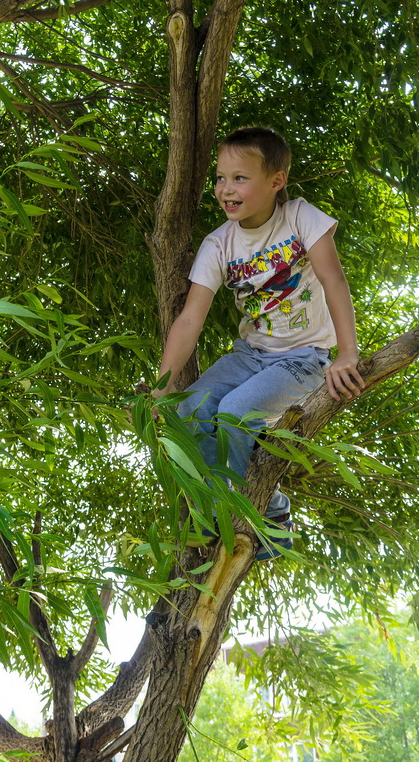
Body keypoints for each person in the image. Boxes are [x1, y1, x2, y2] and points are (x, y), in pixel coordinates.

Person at [152, 127, 365, 560]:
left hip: (306, 356)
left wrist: (347, 354)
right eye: (220, 178)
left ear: (276, 182)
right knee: (191, 409)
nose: (226, 189)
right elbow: (191, 318)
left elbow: (333, 280)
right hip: (252, 354)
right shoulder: (219, 245)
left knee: (234, 414)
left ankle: (272, 513)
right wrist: (161, 387)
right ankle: (217, 513)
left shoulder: (301, 217)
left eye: (240, 178)